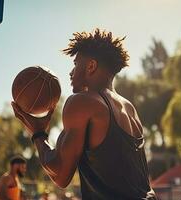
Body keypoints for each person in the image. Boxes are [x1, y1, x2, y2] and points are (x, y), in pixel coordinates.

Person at [12, 29, 158, 199]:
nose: (71, 72)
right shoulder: (129, 108)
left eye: (75, 64)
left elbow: (61, 174)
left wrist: (38, 133)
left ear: (91, 66)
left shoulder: (82, 102)